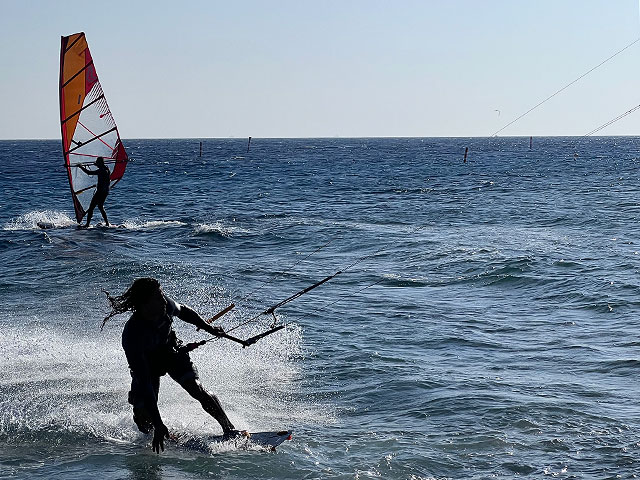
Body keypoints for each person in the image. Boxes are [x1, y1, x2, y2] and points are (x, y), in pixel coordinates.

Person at [103, 277, 241, 453]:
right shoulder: (133, 335)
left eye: (162, 294)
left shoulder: (164, 305)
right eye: (157, 297)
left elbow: (184, 311)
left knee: (196, 388)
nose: (163, 299)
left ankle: (229, 429)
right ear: (144, 303)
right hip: (147, 366)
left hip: (172, 353)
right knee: (143, 418)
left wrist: (208, 328)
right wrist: (159, 424)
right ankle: (159, 433)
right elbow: (145, 383)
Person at [79, 157, 110, 228]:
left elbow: (89, 172)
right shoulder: (107, 169)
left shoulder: (101, 171)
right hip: (105, 191)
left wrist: (81, 167)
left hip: (100, 192)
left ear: (100, 163)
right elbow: (101, 166)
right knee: (100, 206)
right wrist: (96, 164)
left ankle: (87, 224)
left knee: (91, 207)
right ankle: (107, 223)